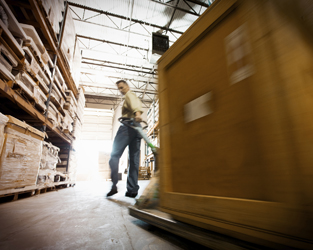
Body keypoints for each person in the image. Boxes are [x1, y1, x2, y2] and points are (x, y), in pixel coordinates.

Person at [106, 80, 143, 198]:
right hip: (137, 129)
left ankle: (114, 186)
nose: (121, 90)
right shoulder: (135, 97)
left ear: (127, 86)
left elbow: (134, 104)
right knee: (134, 160)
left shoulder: (129, 95)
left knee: (114, 155)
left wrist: (137, 114)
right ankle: (132, 190)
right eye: (119, 89)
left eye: (122, 87)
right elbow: (135, 103)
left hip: (127, 127)